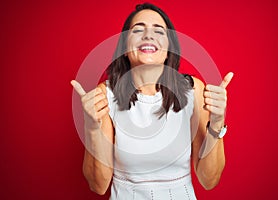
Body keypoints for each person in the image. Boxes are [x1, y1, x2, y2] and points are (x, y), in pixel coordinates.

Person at [71, 3, 233, 199]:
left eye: (159, 31)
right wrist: (91, 127)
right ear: (124, 45)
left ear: (169, 48)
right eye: (138, 30)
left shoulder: (193, 90)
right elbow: (99, 185)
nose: (148, 35)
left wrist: (216, 123)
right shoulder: (105, 95)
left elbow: (209, 180)